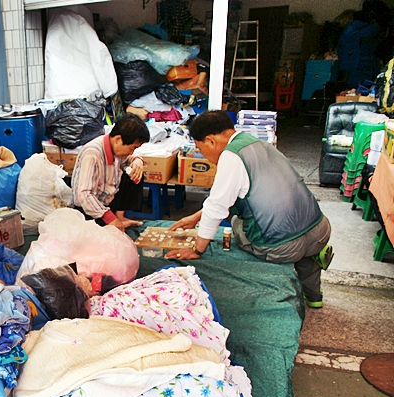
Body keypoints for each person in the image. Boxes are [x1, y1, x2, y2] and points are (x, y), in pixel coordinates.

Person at [165, 110, 334, 308]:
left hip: (281, 247)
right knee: (301, 245)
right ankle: (314, 296)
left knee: (238, 222)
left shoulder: (230, 156)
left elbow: (217, 207)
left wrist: (197, 249)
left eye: (201, 149)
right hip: (319, 231)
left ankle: (292, 256)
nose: (205, 157)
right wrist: (196, 217)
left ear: (210, 141)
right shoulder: (258, 144)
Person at [71, 113, 150, 232]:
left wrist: (137, 160)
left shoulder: (115, 147)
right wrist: (109, 219)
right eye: (132, 148)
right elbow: (84, 194)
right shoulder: (92, 154)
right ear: (118, 139)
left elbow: (130, 158)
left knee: (136, 172)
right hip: (89, 209)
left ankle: (120, 217)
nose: (131, 152)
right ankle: (110, 219)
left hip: (108, 201)